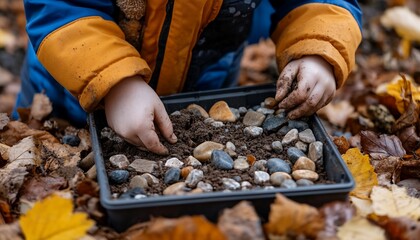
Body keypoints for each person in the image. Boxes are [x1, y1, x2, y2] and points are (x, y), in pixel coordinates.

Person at [14, 0, 362, 155]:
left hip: (204, 85)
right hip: (69, 94)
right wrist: (117, 84)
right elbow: (61, 8)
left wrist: (318, 49)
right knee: (52, 159)